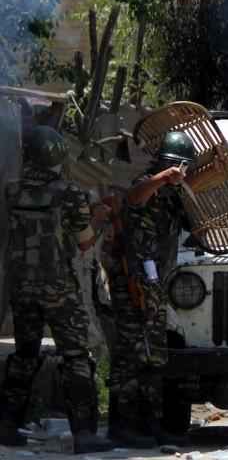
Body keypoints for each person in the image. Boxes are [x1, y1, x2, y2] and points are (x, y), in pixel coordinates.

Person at [0, 126, 115, 453]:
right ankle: (84, 434)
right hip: (58, 287)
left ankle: (7, 425)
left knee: (24, 354)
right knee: (76, 354)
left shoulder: (12, 191)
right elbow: (85, 241)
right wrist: (98, 217)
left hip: (21, 285)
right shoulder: (70, 193)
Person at [106, 131, 223, 447]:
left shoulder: (173, 192)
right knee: (130, 353)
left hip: (155, 284)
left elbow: (191, 190)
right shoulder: (150, 182)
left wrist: (211, 171)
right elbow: (135, 197)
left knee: (153, 355)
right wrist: (162, 177)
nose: (180, 172)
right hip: (132, 282)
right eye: (178, 166)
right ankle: (120, 423)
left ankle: (148, 421)